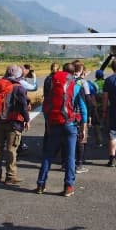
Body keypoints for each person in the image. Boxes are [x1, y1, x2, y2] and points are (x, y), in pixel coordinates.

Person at [36, 62, 87, 196]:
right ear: (74, 72)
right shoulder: (76, 86)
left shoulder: (52, 83)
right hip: (70, 124)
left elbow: (45, 106)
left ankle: (41, 184)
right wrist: (84, 128)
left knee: (48, 155)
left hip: (54, 123)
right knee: (70, 157)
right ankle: (68, 187)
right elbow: (83, 109)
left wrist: (48, 124)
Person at [0, 65, 30, 185]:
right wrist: (27, 119)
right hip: (13, 122)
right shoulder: (19, 88)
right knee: (11, 149)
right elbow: (23, 106)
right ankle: (10, 176)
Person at [92, 69, 106, 148]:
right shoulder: (106, 82)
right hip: (106, 105)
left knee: (96, 124)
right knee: (107, 123)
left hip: (97, 106)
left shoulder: (94, 83)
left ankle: (99, 141)